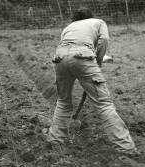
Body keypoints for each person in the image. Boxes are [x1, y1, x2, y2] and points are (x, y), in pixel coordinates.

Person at [43, 8, 139, 156]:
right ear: (90, 16)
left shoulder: (68, 27)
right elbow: (104, 40)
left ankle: (54, 141)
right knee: (103, 104)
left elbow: (65, 45)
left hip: (59, 58)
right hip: (83, 57)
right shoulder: (98, 22)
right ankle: (126, 148)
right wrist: (98, 62)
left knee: (63, 101)